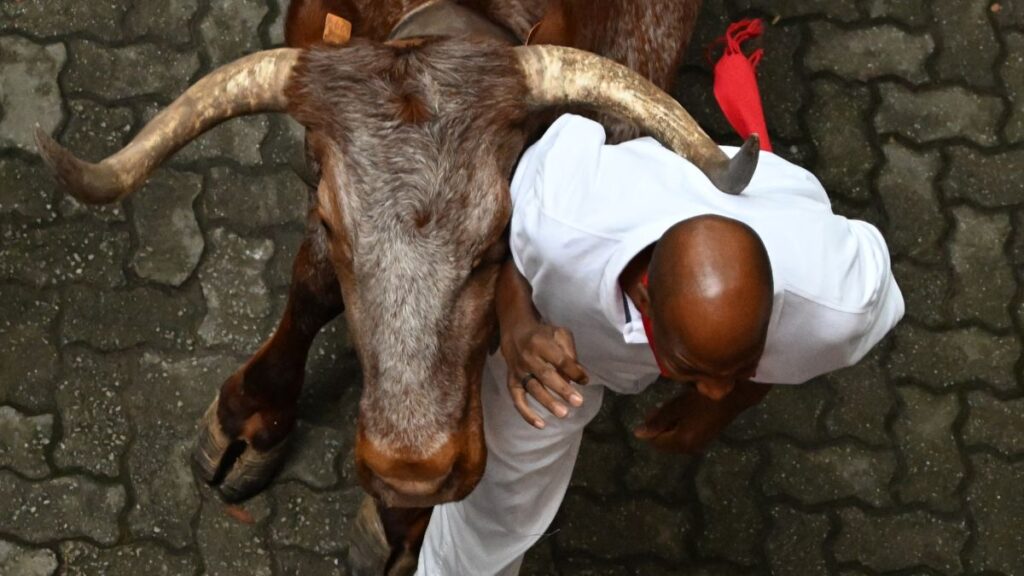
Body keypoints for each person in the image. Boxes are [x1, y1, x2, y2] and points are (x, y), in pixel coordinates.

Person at [415, 113, 905, 575]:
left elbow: (779, 353)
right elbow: (506, 234)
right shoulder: (563, 220)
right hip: (557, 329)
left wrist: (724, 407)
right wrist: (519, 327)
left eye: (743, 363)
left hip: (783, 215)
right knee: (495, 508)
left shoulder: (839, 306)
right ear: (645, 300)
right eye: (694, 370)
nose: (714, 389)